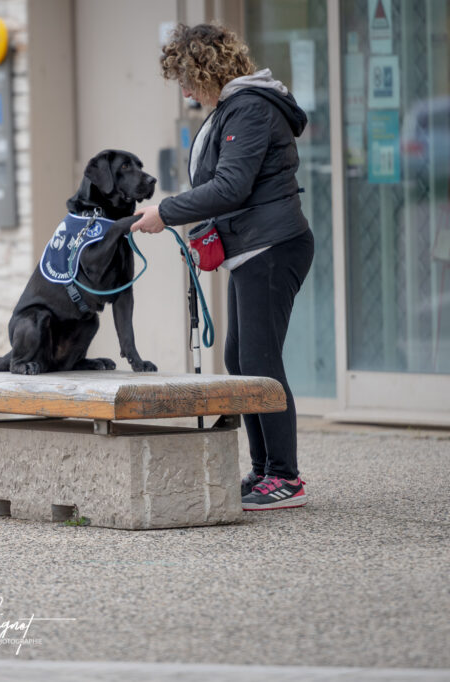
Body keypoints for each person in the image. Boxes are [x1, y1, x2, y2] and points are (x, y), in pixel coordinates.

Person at [129, 23, 314, 511]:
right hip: (253, 247)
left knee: (259, 364)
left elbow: (231, 186)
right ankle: (266, 470)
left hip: (272, 248)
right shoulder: (234, 107)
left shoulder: (250, 109)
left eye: (188, 79)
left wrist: (166, 212)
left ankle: (287, 479)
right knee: (240, 361)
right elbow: (230, 189)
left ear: (209, 70)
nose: (186, 91)